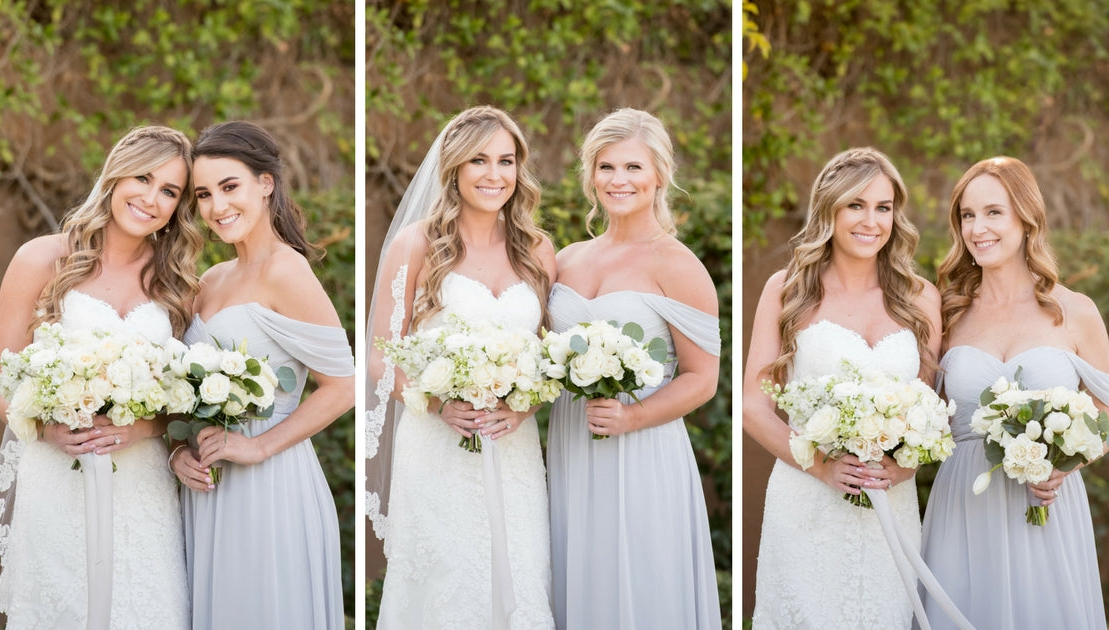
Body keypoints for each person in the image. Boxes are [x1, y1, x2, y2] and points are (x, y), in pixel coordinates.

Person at [0, 125, 199, 628]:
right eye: (143, 178)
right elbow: (0, 376)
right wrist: (44, 428)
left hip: (142, 485)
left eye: (169, 191)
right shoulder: (42, 258)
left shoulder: (178, 285)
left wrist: (144, 428)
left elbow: (182, 400)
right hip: (58, 471)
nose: (151, 198)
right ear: (115, 175)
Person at [363, 105, 557, 629]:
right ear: (453, 168)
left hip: (514, 449)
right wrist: (437, 401)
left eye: (506, 161)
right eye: (479, 161)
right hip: (436, 450)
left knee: (520, 574)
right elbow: (382, 354)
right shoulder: (418, 244)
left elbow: (551, 355)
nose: (495, 175)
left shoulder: (538, 249)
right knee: (446, 585)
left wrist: (524, 406)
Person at [743, 147, 942, 629]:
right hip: (807, 499)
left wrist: (904, 465)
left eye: (883, 207)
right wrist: (821, 467)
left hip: (888, 508)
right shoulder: (787, 289)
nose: (870, 220)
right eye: (856, 205)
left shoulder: (920, 298)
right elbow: (753, 406)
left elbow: (928, 408)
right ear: (829, 207)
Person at [168, 121, 355, 629]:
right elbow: (177, 391)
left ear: (265, 184)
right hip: (209, 485)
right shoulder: (208, 280)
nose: (217, 206)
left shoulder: (286, 270)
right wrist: (179, 452)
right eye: (203, 194)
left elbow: (342, 386)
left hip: (270, 483)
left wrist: (256, 446)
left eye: (230, 187)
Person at [546, 108, 722, 629]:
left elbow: (702, 378)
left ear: (659, 175)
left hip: (641, 452)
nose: (618, 181)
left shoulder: (679, 265)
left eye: (633, 168)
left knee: (638, 584)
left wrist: (632, 417)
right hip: (572, 442)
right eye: (606, 167)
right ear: (590, 176)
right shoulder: (568, 258)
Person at [919, 156, 1108, 629]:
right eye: (967, 215)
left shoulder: (1074, 310)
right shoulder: (947, 313)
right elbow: (921, 413)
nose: (977, 228)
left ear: (1026, 218)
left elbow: (1107, 412)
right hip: (963, 506)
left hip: (1045, 507)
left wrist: (1068, 464)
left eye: (993, 212)